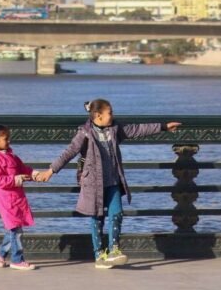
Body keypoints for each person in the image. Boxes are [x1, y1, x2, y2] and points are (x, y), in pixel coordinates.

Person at [35, 100, 182, 268]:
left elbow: (137, 129)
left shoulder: (115, 128)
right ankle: (99, 255)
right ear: (98, 116)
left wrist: (163, 127)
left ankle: (114, 250)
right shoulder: (85, 133)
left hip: (113, 181)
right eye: (110, 113)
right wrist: (50, 171)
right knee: (97, 218)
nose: (113, 115)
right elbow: (68, 153)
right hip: (92, 183)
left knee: (117, 213)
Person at [0, 123, 41, 271]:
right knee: (15, 228)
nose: (9, 142)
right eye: (6, 139)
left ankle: (0, 255)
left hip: (16, 196)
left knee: (13, 227)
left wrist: (34, 174)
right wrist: (16, 179)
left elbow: (22, 168)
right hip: (5, 198)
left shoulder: (11, 155)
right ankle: (17, 259)